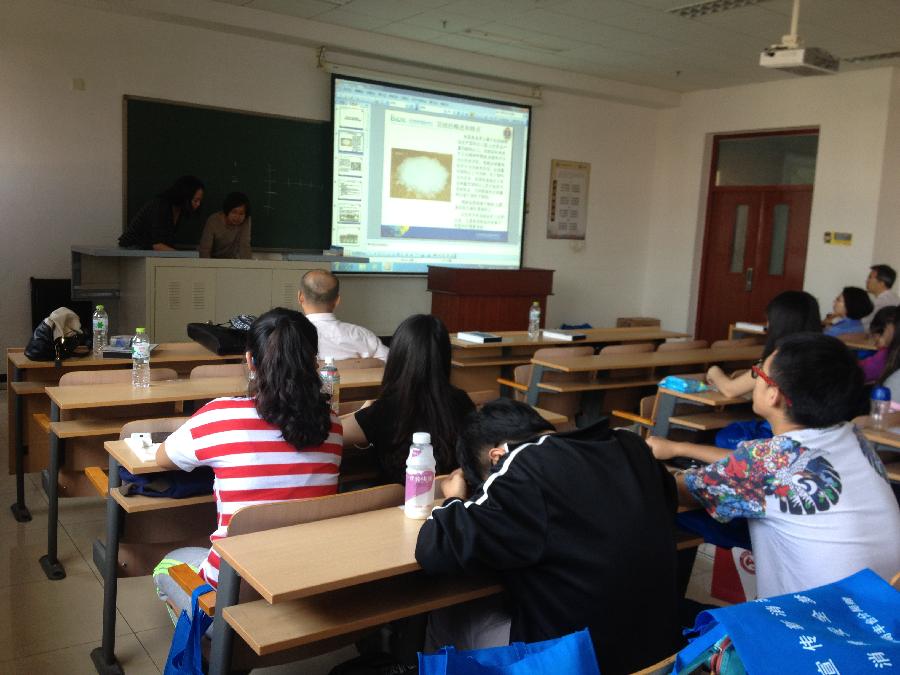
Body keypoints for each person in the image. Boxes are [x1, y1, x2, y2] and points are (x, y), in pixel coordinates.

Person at [415, 399, 682, 675]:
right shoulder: (631, 445)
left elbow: (434, 547)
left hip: (580, 665)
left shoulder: (522, 463)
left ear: (497, 457)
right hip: (666, 659)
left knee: (445, 615)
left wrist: (455, 497)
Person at [667, 334, 900, 598]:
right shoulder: (853, 436)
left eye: (759, 373)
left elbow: (680, 490)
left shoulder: (768, 462)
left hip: (813, 619)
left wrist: (674, 468)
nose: (755, 378)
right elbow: (761, 467)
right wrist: (681, 449)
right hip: (883, 609)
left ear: (773, 395)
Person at [152, 308, 341, 610]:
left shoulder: (220, 416)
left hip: (230, 596)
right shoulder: (332, 424)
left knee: (168, 563)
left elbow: (163, 458)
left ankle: (203, 634)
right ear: (314, 362)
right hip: (303, 585)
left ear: (251, 361)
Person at [341, 314, 475, 485]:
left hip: (397, 501)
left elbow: (332, 433)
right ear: (445, 356)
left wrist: (361, 413)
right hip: (453, 496)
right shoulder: (463, 402)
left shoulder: (384, 410)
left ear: (397, 357)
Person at [706, 290, 821, 398]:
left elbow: (730, 390)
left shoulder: (779, 360)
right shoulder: (822, 355)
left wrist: (714, 371)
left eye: (769, 319)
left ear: (779, 324)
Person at [298, 269, 388, 361]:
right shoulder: (362, 336)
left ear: (300, 297)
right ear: (337, 301)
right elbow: (391, 364)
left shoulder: (292, 337)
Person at [118, 175, 205, 251]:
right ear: (185, 197)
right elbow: (157, 245)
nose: (198, 204)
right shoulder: (161, 206)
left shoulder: (178, 209)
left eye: (199, 201)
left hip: (145, 252)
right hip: (132, 253)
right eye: (195, 200)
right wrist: (183, 258)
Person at [198, 191, 252, 258]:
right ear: (227, 210)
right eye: (234, 212)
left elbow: (244, 246)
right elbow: (205, 249)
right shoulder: (213, 220)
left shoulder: (245, 220)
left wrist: (247, 264)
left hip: (231, 260)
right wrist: (207, 264)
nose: (237, 217)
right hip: (213, 260)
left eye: (241, 214)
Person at [860, 305, 896, 382]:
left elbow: (870, 370)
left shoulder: (886, 354)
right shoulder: (887, 351)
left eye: (874, 338)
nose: (875, 344)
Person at [862, 264, 900, 330]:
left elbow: (862, 324)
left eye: (870, 277)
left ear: (882, 283)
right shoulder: (894, 298)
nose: (867, 281)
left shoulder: (881, 302)